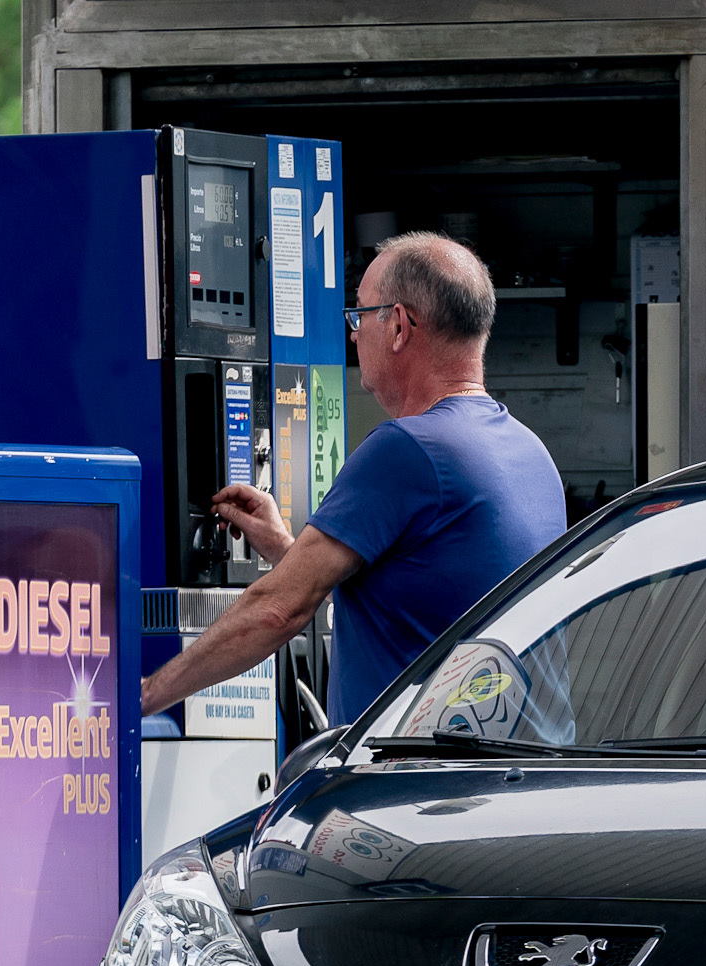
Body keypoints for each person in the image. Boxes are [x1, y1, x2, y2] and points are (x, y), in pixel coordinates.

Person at [141, 231, 564, 731]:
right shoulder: (528, 452)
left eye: (359, 315)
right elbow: (419, 592)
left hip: (422, 790)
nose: (353, 334)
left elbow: (279, 609)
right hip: (522, 769)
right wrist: (287, 550)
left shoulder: (408, 448)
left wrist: (141, 699)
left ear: (400, 326)